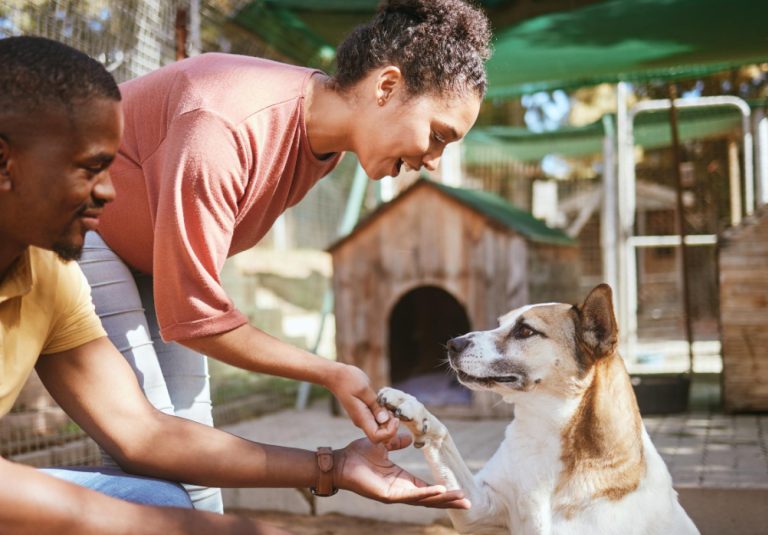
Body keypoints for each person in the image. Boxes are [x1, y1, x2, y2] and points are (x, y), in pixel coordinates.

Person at [0, 35, 470, 534]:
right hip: (105, 249)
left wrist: (331, 467)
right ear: (387, 86)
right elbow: (195, 314)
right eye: (438, 134)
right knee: (168, 505)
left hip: (140, 263)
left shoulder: (48, 277)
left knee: (163, 485)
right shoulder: (221, 122)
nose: (111, 190)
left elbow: (146, 435)